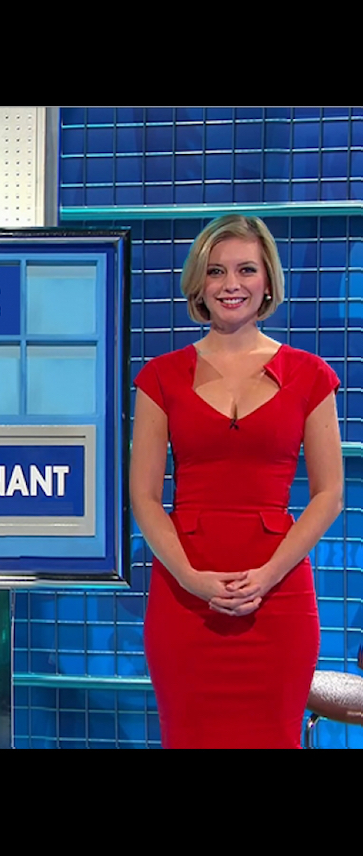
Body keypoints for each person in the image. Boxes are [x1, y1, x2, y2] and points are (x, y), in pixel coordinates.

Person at [130, 214, 344, 749]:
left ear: (267, 280)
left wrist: (269, 575)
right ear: (199, 284)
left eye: (246, 269)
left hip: (278, 596)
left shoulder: (311, 376)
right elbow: (145, 498)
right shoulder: (160, 377)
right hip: (185, 598)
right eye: (216, 271)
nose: (231, 284)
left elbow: (329, 495)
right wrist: (191, 578)